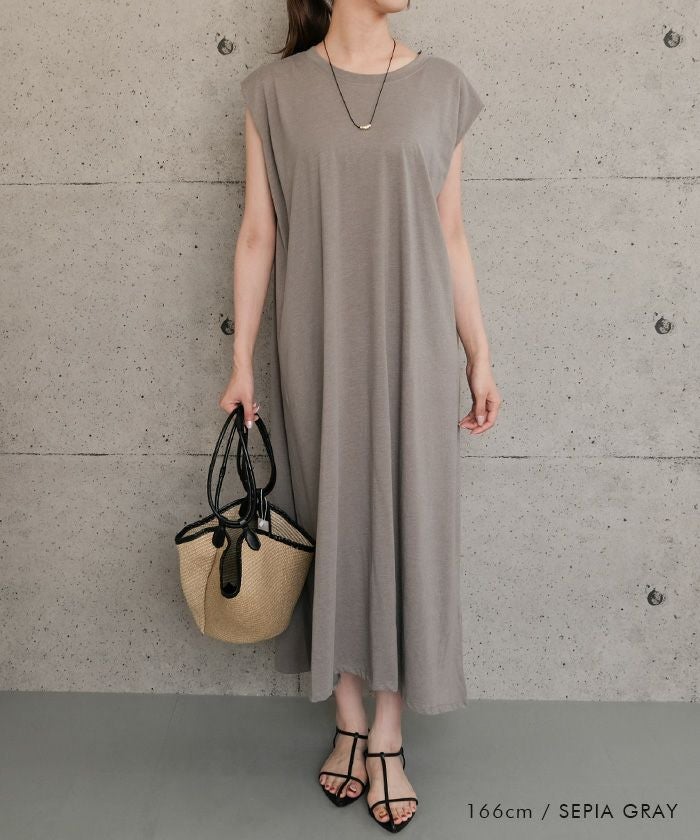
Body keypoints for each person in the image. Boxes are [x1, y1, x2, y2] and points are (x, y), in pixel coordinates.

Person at [219, 0, 500, 831]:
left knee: (411, 524)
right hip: (317, 343)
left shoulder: (444, 87)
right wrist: (241, 362)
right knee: (327, 519)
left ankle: (388, 732)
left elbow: (451, 232)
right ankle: (347, 717)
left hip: (417, 345)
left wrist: (479, 353)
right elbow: (258, 233)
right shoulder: (272, 91)